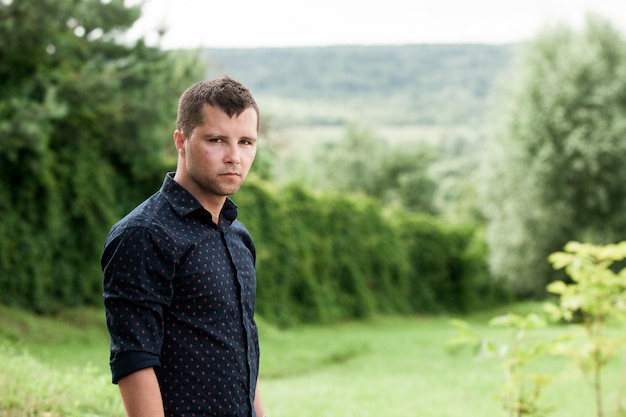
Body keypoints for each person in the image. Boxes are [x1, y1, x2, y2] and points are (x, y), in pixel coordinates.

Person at [101, 76, 266, 417]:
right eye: (216, 140)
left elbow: (243, 350)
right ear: (181, 140)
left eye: (246, 142)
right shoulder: (144, 234)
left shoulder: (238, 236)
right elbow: (135, 360)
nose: (234, 157)